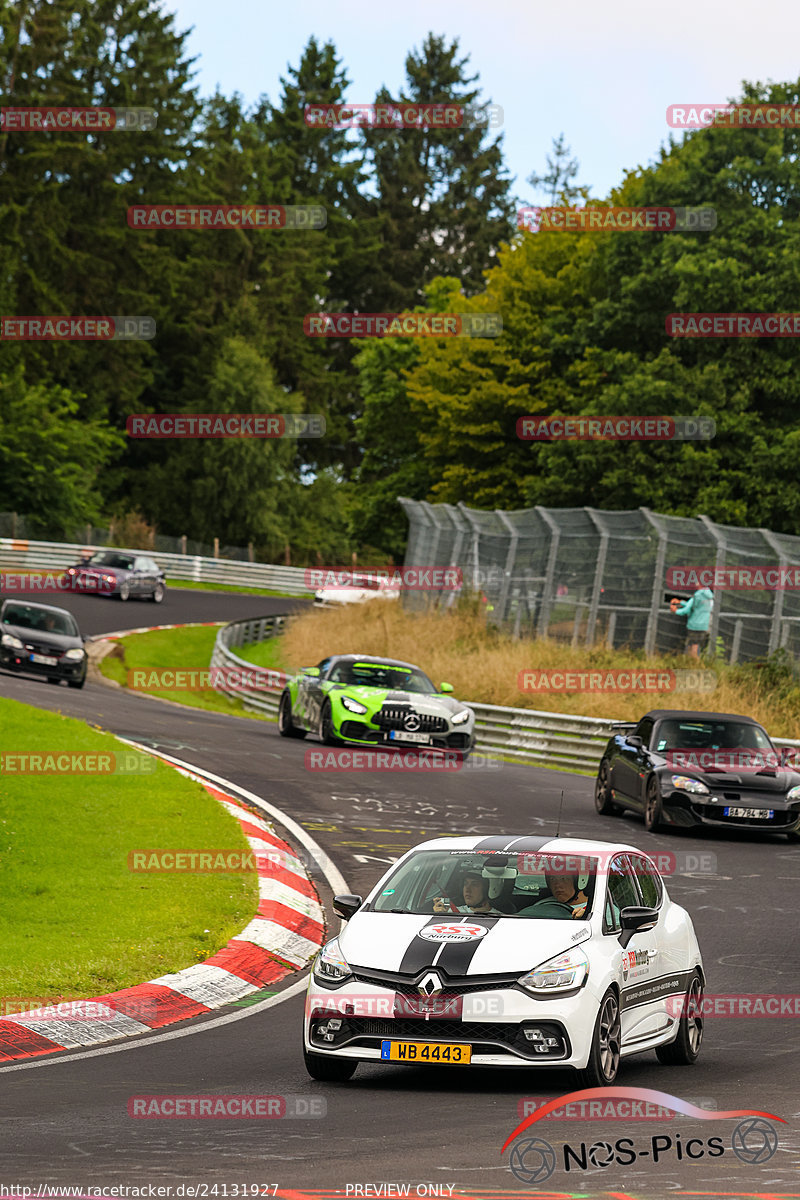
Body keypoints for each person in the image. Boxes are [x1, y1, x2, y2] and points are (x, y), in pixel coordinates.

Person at [434, 869, 502, 915]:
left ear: (489, 889)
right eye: (465, 884)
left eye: (474, 884)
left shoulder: (502, 920)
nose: (467, 889)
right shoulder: (451, 912)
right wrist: (438, 915)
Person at [671, 586, 714, 658]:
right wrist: (681, 603)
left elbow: (688, 609)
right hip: (703, 626)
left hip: (694, 626)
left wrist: (676, 611)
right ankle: (692, 665)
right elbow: (695, 606)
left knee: (693, 651)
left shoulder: (698, 595)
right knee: (692, 648)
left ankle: (699, 667)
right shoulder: (709, 596)